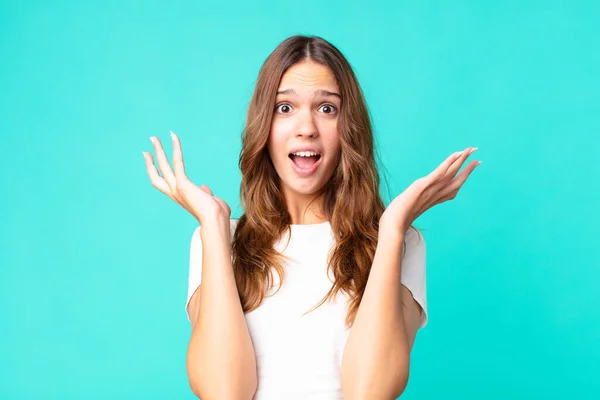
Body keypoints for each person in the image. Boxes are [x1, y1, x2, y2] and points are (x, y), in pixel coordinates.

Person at [142, 35, 480, 400]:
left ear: (349, 128)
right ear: (264, 127)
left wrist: (393, 229)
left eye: (327, 109)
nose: (306, 127)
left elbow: (372, 392)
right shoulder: (216, 240)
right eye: (284, 108)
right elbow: (224, 393)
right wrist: (212, 226)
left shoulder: (399, 241)